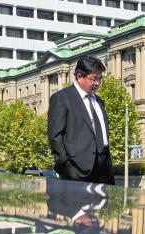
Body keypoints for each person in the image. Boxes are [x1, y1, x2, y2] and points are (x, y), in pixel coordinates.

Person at [48, 56, 114, 184]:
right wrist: (66, 165)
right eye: (94, 79)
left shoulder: (99, 101)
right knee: (78, 203)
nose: (97, 83)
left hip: (104, 169)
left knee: (106, 203)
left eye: (100, 79)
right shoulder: (62, 98)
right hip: (76, 169)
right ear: (79, 76)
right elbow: (55, 136)